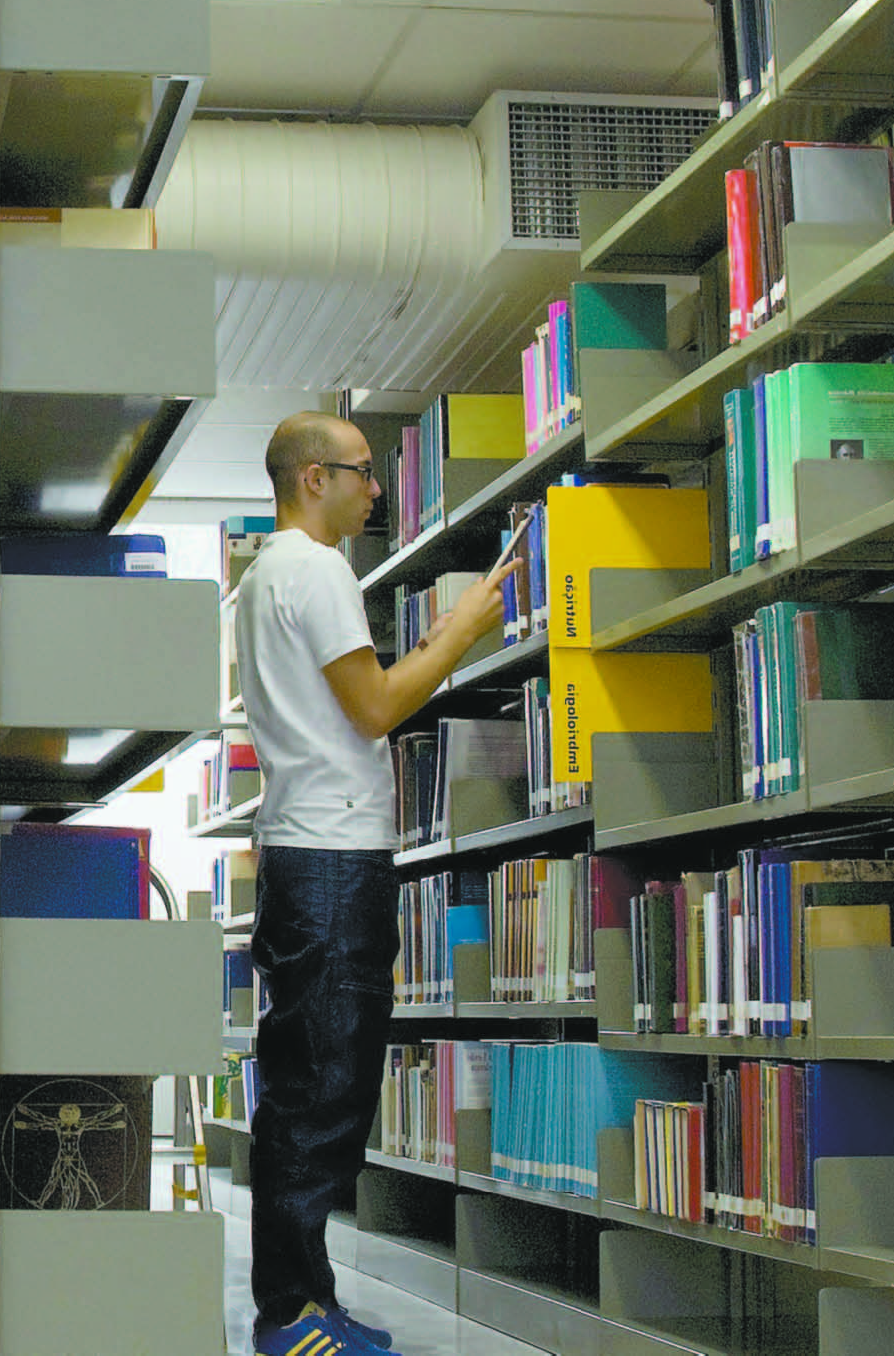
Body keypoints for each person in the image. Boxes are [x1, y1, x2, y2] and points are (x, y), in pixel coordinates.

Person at [236, 411, 508, 1356]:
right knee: (323, 1093)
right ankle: (293, 1318)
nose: (376, 489)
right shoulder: (316, 570)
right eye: (361, 471)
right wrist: (462, 631)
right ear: (313, 478)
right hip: (332, 861)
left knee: (313, 1086)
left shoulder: (263, 577)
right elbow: (377, 706)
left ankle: (307, 1301)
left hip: (302, 855)